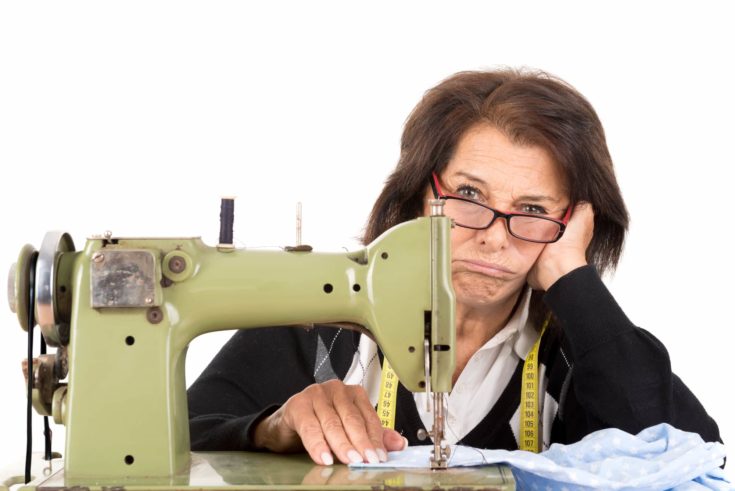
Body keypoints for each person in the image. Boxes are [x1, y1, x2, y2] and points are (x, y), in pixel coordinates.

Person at [187, 68, 722, 467]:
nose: (492, 236)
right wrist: (267, 428)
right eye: (468, 194)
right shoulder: (318, 329)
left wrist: (571, 277)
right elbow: (175, 435)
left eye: (533, 210)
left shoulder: (574, 358)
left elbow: (683, 459)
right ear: (419, 194)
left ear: (574, 221)